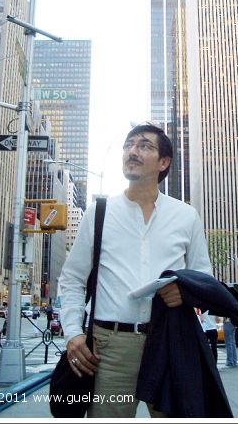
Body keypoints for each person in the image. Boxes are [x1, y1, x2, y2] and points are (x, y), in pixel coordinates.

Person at [58, 123, 213, 418]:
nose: (133, 150)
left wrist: (185, 292)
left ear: (164, 162)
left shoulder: (186, 216)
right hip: (110, 349)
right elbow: (73, 278)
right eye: (129, 145)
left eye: (144, 145)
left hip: (169, 342)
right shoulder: (99, 213)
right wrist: (74, 334)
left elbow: (203, 279)